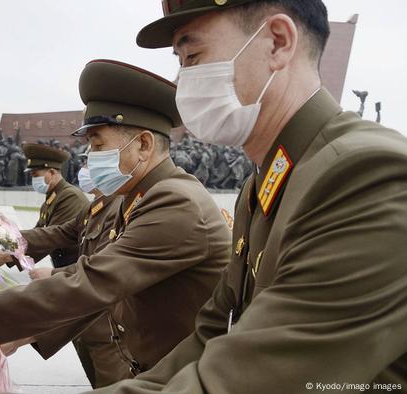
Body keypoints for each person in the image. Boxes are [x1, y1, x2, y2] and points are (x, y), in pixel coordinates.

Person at [81, 0, 405, 392]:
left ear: (278, 43)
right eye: (180, 63)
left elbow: (251, 380)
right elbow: (212, 335)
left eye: (194, 56)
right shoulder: (263, 184)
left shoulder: (363, 175)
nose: (185, 82)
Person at [0, 59, 231, 393]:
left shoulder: (175, 201)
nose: (92, 157)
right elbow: (100, 284)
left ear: (143, 144)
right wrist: (23, 331)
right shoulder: (136, 197)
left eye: (99, 145)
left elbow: (93, 283)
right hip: (157, 373)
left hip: (184, 380)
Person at [20, 161, 129, 388]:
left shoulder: (119, 206)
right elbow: (58, 233)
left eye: (91, 164)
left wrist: (53, 273)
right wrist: (11, 240)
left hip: (106, 326)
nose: (85, 172)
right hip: (84, 317)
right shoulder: (96, 206)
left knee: (110, 384)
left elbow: (102, 266)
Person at [0, 142, 89, 268]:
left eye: (35, 175)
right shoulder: (51, 199)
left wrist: (6, 256)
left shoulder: (70, 197)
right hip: (64, 268)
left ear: (52, 172)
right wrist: (6, 252)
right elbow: (37, 234)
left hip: (74, 267)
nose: (33, 180)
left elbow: (49, 239)